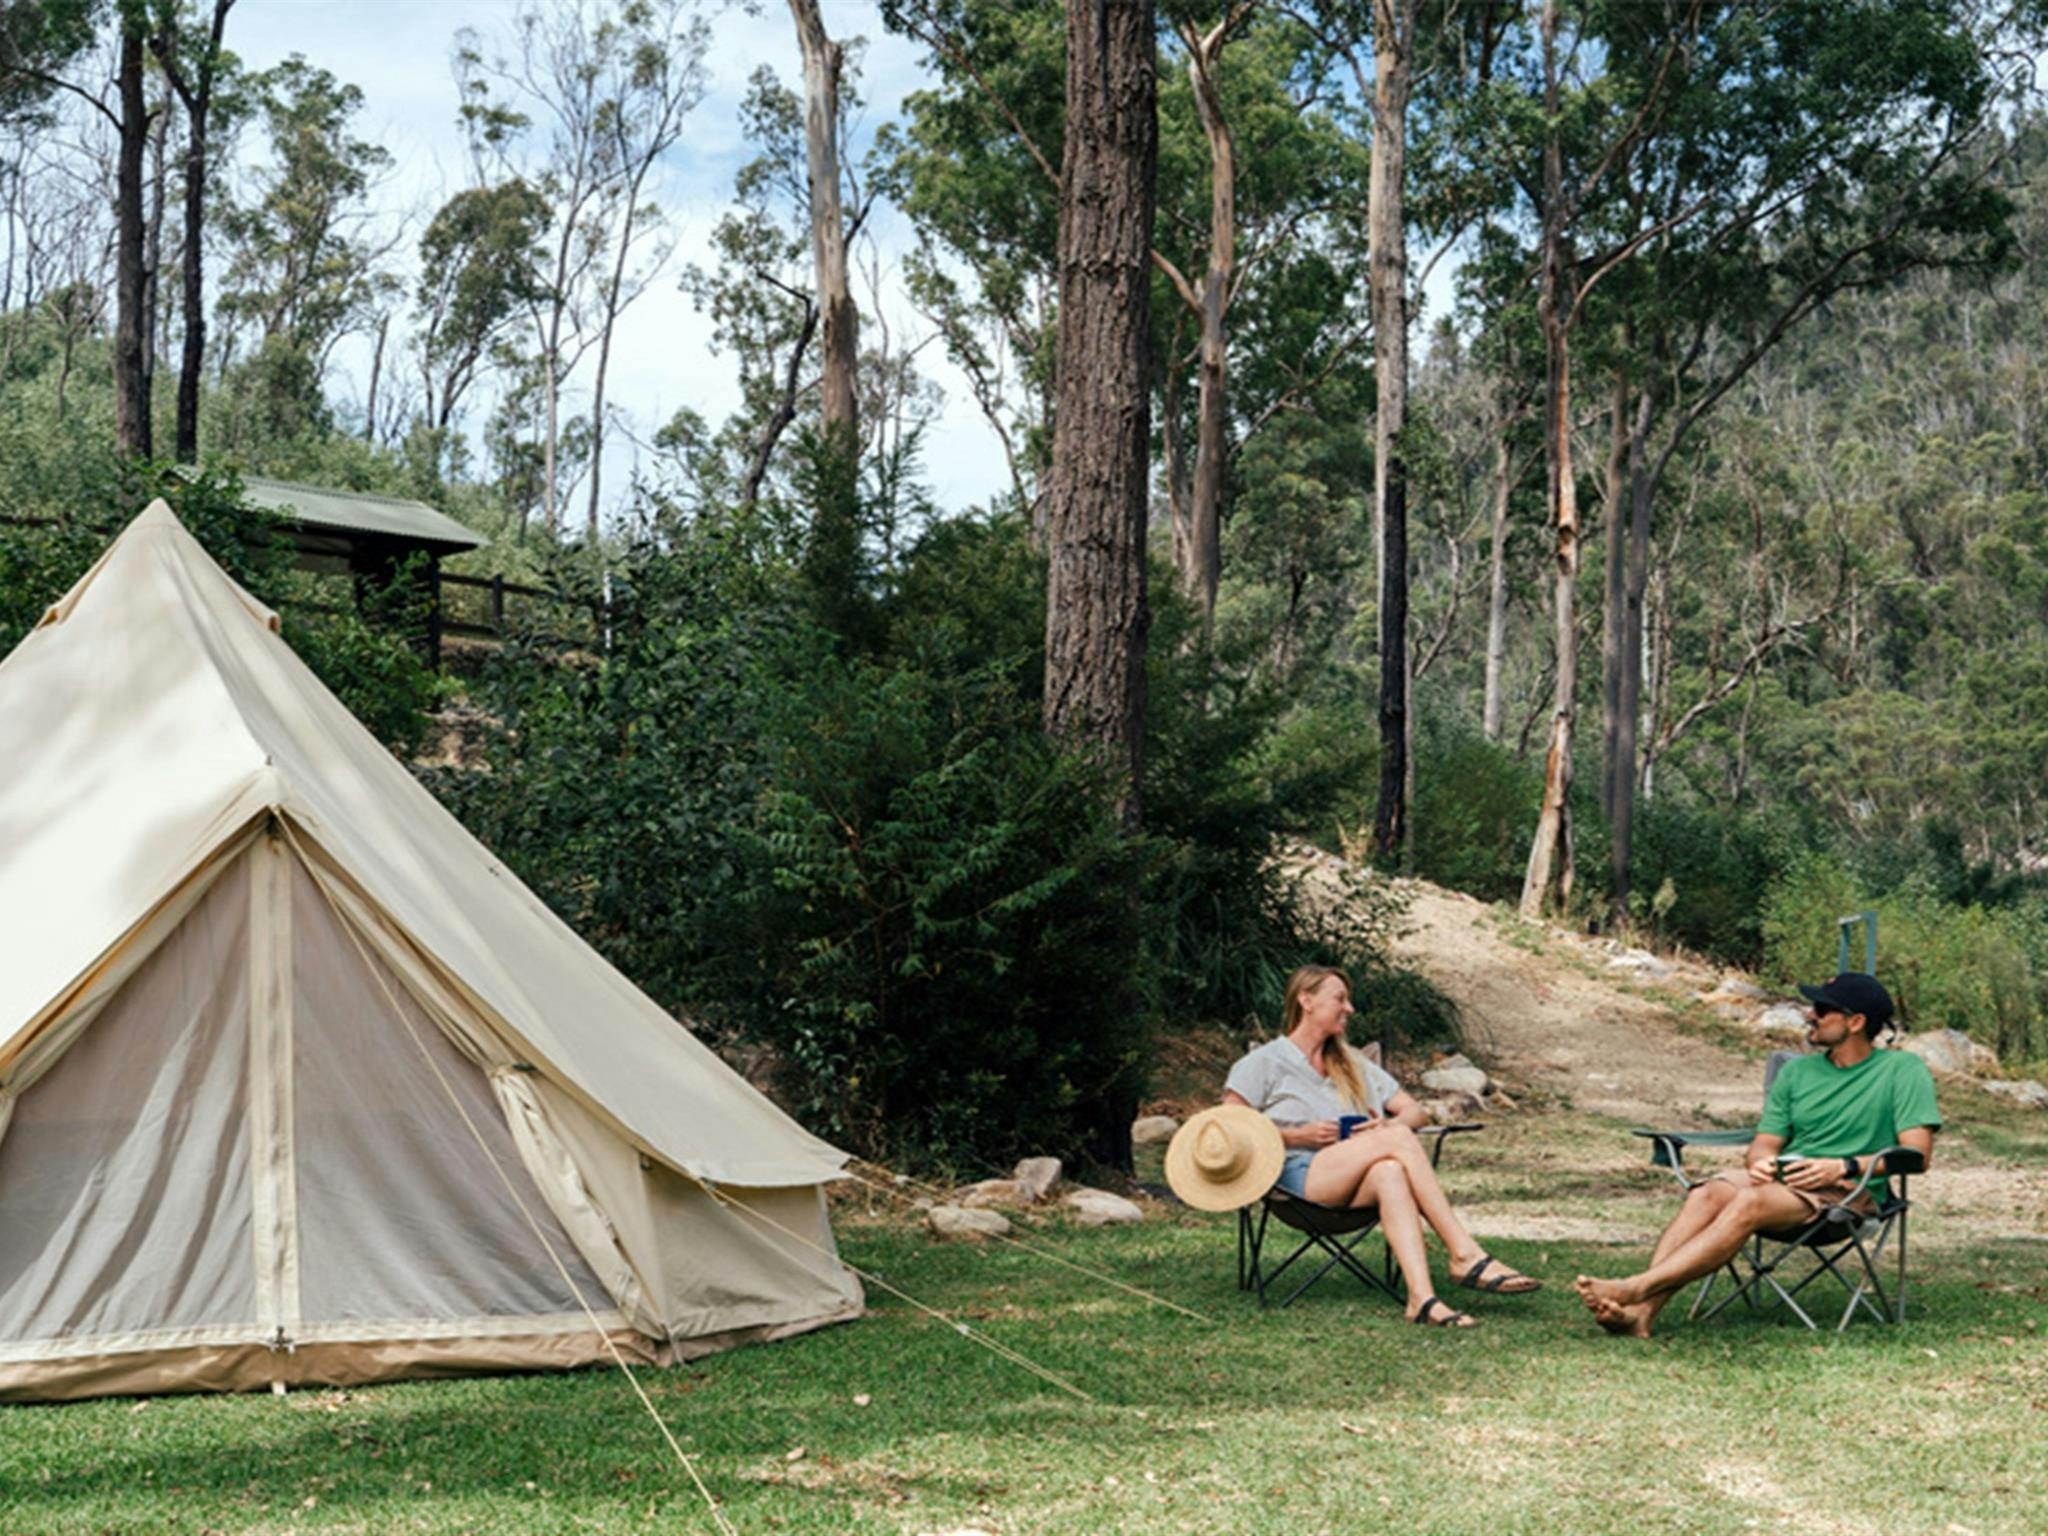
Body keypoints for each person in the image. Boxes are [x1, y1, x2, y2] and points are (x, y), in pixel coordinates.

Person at [1574, 970, 1939, 1338]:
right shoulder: (1798, 1072)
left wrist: (1839, 1167)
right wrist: (1760, 1163)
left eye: (1822, 1009)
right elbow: (1765, 1143)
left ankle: (1637, 1288)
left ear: (1856, 1022)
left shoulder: (1902, 1070)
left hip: (1847, 1195)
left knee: (1750, 1202)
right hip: (1785, 1181)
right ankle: (1642, 1314)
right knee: (1707, 1192)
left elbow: (1916, 1155)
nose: (1810, 1015)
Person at [1221, 964, 1539, 1327]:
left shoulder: (1352, 1062)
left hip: (1352, 1185)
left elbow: (1415, 1112)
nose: (1349, 1009)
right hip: (1296, 1185)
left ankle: (1422, 1299)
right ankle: (1464, 1254)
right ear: (1306, 1000)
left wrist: (1386, 1127)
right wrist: (1297, 1135)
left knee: (1390, 1169)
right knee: (1396, 1139)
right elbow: (1229, 1126)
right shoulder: (1264, 1062)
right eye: (1339, 999)